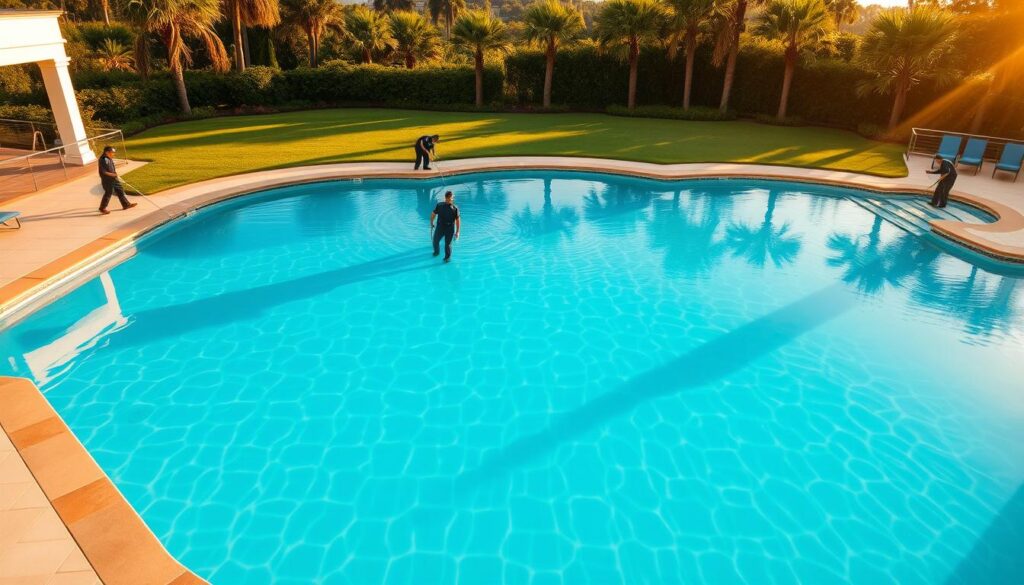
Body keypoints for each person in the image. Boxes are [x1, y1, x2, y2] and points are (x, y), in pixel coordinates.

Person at [97, 145, 137, 215]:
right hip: (107, 180)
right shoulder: (103, 160)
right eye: (112, 152)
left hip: (114, 178)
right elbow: (103, 172)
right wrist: (113, 175)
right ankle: (102, 208)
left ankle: (126, 204)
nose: (113, 154)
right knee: (108, 193)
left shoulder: (109, 158)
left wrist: (115, 174)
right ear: (107, 152)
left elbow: (111, 168)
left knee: (120, 190)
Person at [430, 191, 460, 262]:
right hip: (441, 227)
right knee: (436, 241)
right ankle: (438, 253)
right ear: (448, 198)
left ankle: (446, 257)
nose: (451, 199)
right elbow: (433, 214)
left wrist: (457, 231)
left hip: (449, 228)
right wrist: (431, 223)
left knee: (447, 244)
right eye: (451, 198)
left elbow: (458, 220)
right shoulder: (440, 205)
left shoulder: (454, 208)